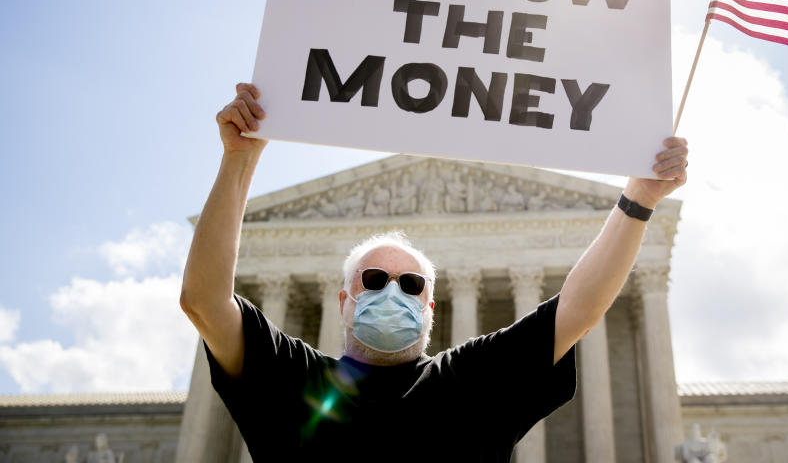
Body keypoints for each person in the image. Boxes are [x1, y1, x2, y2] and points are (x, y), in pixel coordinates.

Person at [180, 83, 689, 462]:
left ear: (429, 307)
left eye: (411, 284)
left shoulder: (469, 382)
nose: (392, 291)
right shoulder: (296, 383)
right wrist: (238, 162)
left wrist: (638, 200)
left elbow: (579, 308)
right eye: (374, 281)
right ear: (344, 301)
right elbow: (203, 301)